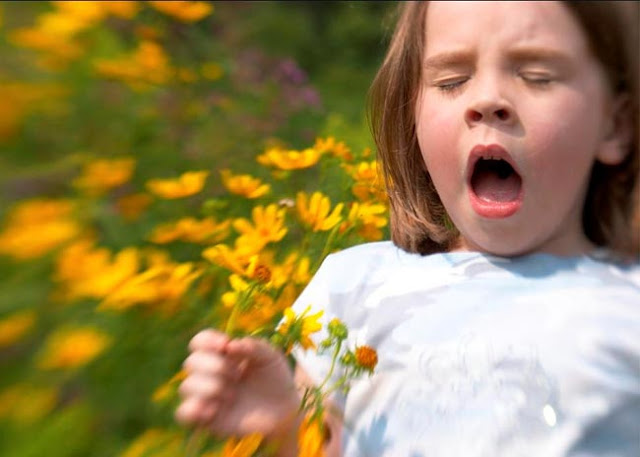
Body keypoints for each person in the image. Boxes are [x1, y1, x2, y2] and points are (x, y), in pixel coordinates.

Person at [175, 1, 640, 456]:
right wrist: (284, 427)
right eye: (452, 80)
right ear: (412, 113)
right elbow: (325, 447)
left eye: (537, 76)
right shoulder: (356, 286)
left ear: (615, 124)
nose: (486, 101)